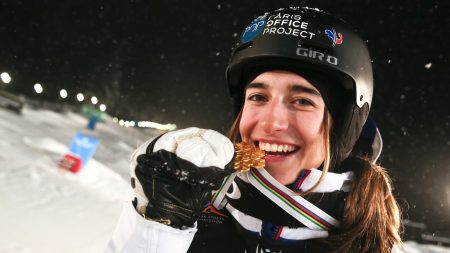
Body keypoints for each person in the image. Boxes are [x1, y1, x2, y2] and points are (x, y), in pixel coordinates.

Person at [105, 6, 402, 253]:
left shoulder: (371, 243)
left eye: (301, 101)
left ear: (343, 127)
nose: (272, 123)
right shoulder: (194, 213)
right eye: (258, 97)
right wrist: (156, 228)